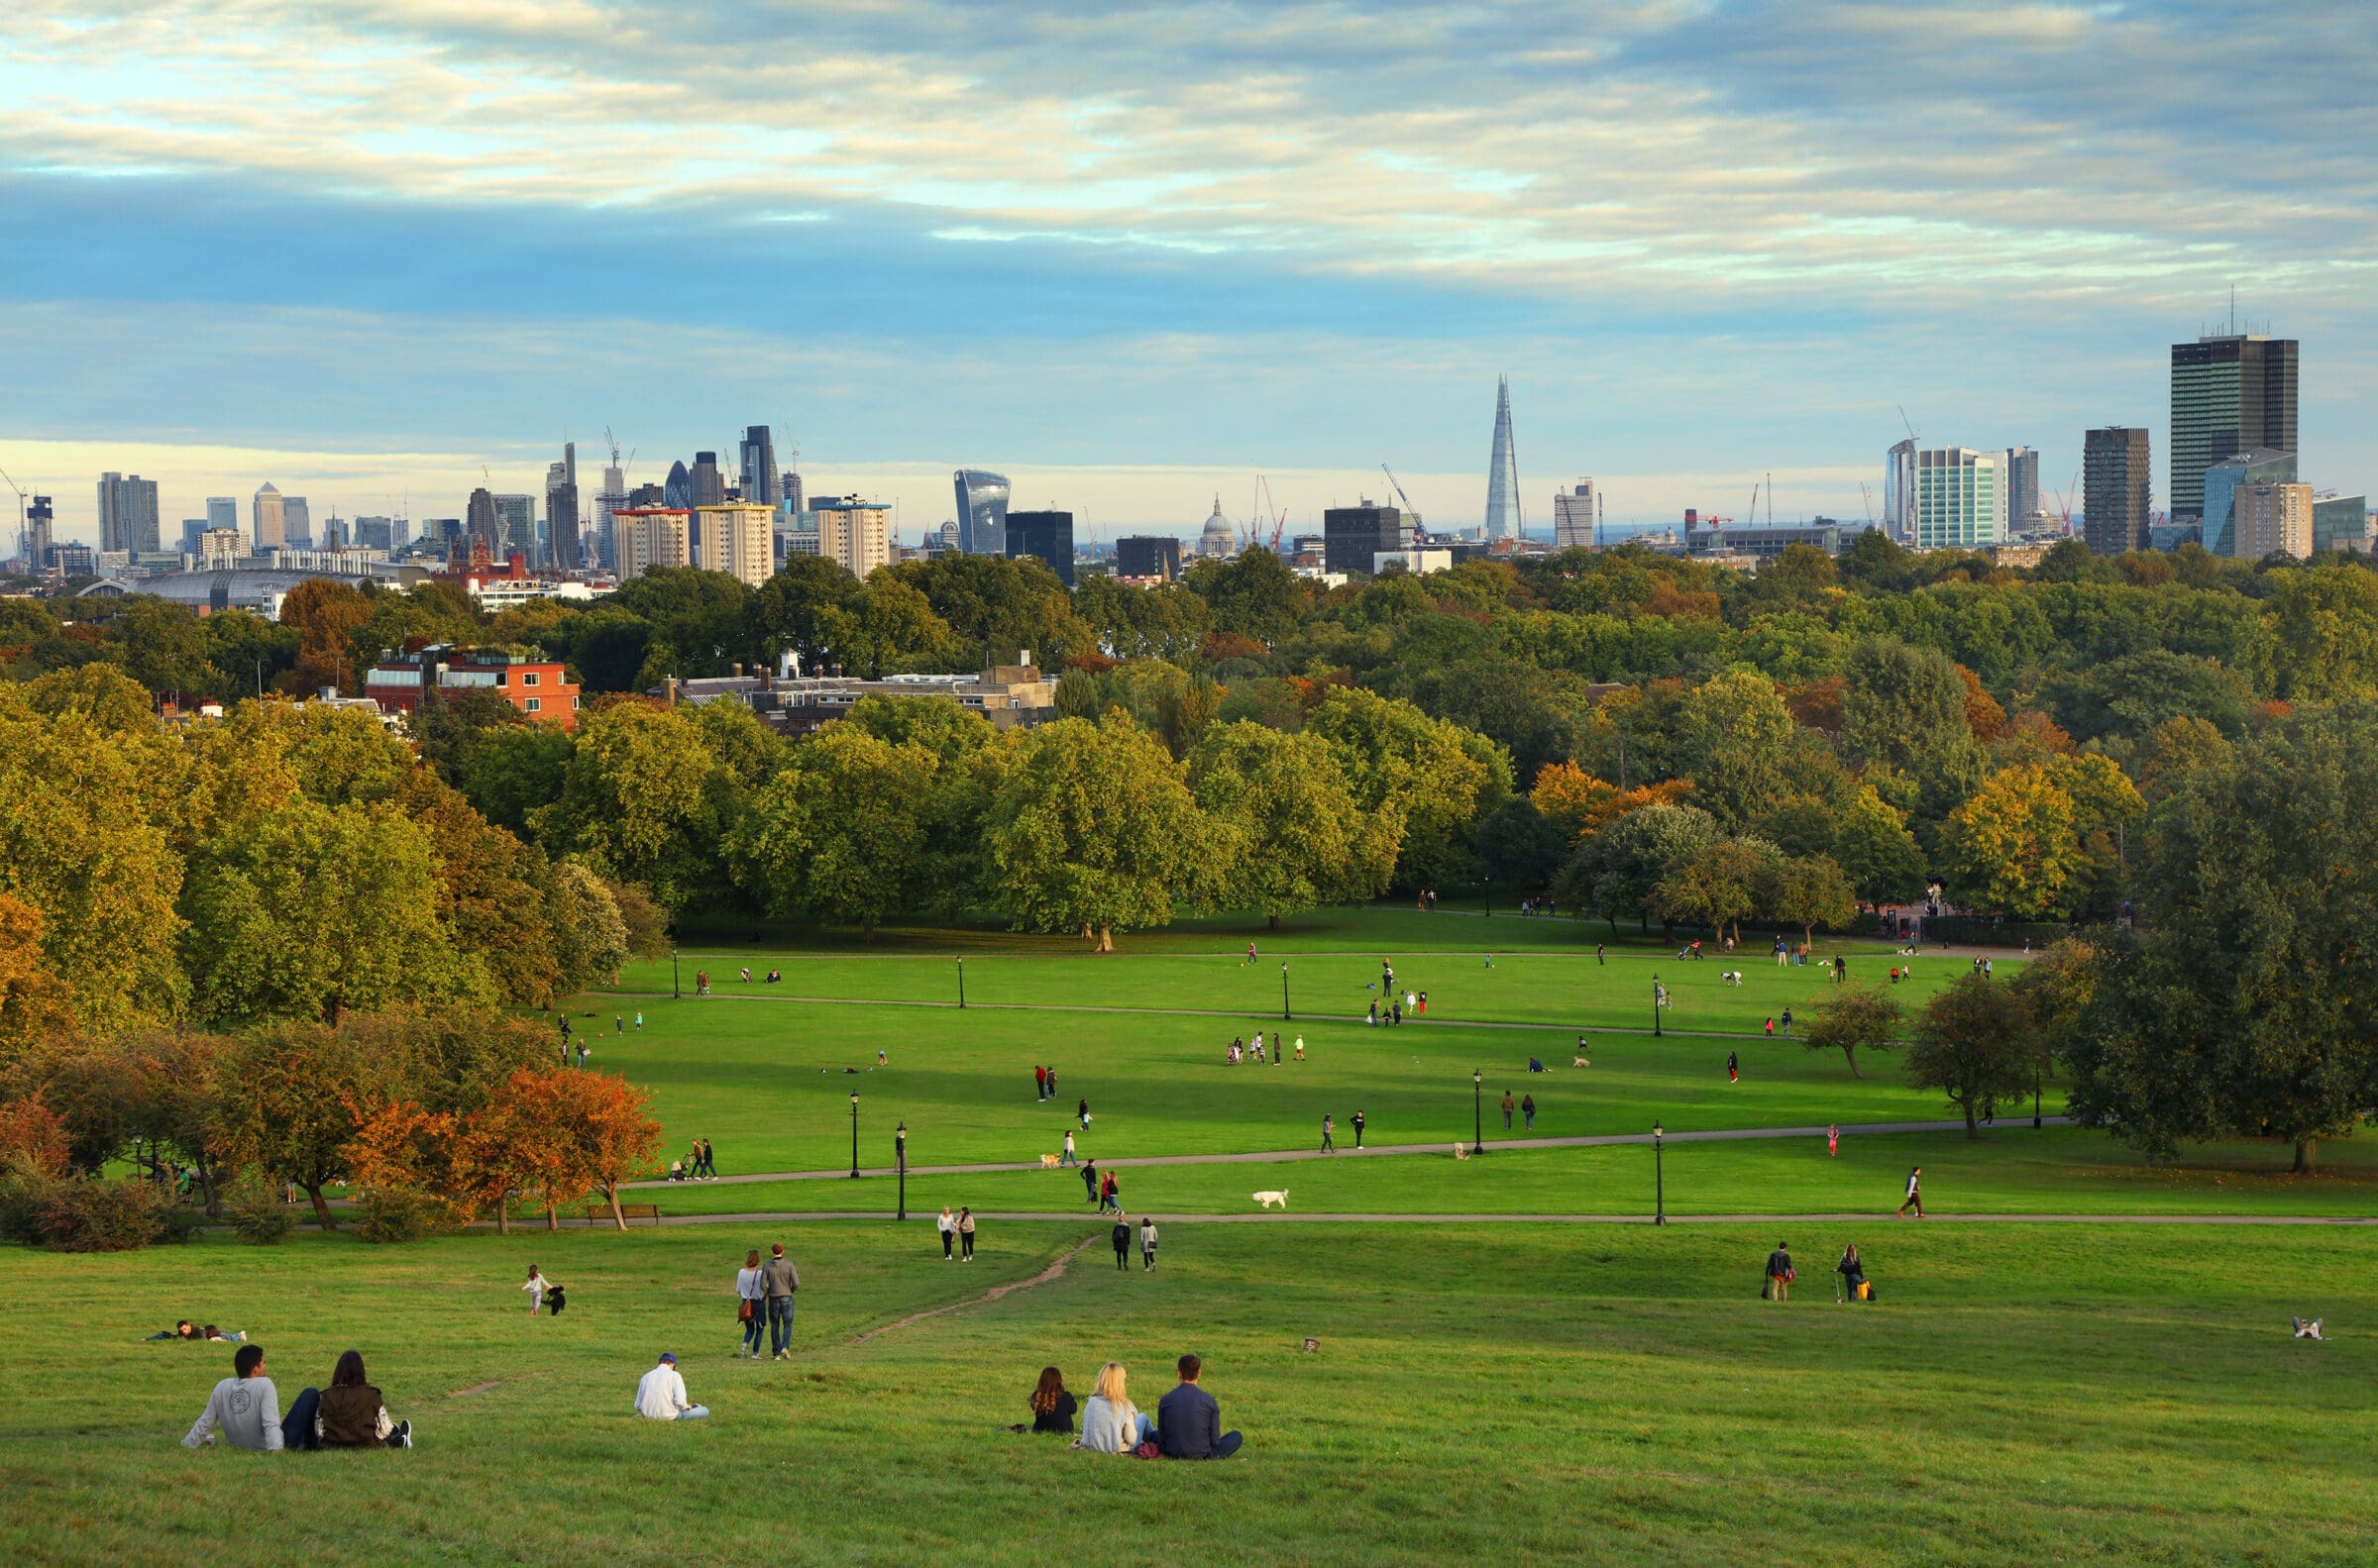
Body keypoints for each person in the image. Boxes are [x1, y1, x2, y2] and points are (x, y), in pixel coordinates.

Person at [300, 1350, 413, 1450]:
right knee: (390, 1429)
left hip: (332, 1444)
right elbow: (385, 1431)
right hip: (366, 1443)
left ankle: (399, 1436)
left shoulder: (326, 1396)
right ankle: (398, 1438)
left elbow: (318, 1431)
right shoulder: (371, 1394)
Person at [183, 1343, 284, 1451]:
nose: (265, 1366)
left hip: (238, 1446)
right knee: (305, 1395)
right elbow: (271, 1423)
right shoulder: (264, 1384)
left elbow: (205, 1422)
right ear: (255, 1369)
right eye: (263, 1363)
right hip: (265, 1446)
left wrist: (186, 1444)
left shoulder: (222, 1386)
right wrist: (276, 1450)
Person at [1156, 1355, 1243, 1460]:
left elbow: (1162, 1437)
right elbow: (1215, 1441)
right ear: (1199, 1373)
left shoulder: (1166, 1399)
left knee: (1153, 1434)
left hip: (1171, 1451)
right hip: (1201, 1454)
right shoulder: (1209, 1400)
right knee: (1236, 1436)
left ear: (1179, 1373)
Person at [1078, 1362, 1154, 1453]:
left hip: (1093, 1446)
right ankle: (1160, 1441)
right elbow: (1132, 1440)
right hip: (1119, 1449)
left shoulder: (1091, 1402)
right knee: (1142, 1417)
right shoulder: (1125, 1406)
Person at [634, 1353, 708, 1420]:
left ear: (659, 1363)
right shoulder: (675, 1375)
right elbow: (680, 1402)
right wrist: (685, 1406)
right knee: (705, 1410)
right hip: (669, 1415)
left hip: (648, 1415)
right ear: (672, 1364)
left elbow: (637, 1405)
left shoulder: (646, 1376)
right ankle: (695, 1407)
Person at [761, 1242, 801, 1359]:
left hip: (773, 1298)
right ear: (782, 1251)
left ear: (772, 1251)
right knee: (787, 1324)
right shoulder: (789, 1264)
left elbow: (762, 1284)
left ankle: (776, 1353)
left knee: (774, 1325)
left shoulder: (767, 1265)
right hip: (786, 1297)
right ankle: (785, 1347)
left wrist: (769, 1292)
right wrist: (790, 1291)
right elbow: (796, 1283)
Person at [736, 1249, 768, 1358]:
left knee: (750, 1329)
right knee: (760, 1329)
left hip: (746, 1304)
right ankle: (755, 1353)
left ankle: (744, 1346)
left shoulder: (741, 1272)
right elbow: (765, 1289)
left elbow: (738, 1289)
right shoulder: (760, 1274)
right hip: (758, 1304)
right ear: (758, 1260)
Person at [1028, 1367, 1078, 1434]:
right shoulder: (1066, 1396)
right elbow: (1074, 1410)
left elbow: (1033, 1407)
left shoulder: (1036, 1396)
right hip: (1065, 1431)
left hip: (1041, 1430)